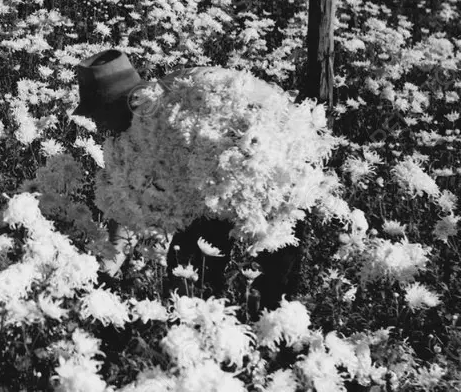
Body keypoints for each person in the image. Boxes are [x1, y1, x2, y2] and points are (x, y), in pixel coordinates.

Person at [75, 49, 302, 310]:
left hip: (275, 190)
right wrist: (111, 259)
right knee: (187, 271)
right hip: (216, 196)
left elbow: (257, 133)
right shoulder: (131, 134)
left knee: (264, 294)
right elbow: (127, 199)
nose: (95, 121)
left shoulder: (181, 104)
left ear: (118, 102)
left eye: (96, 112)